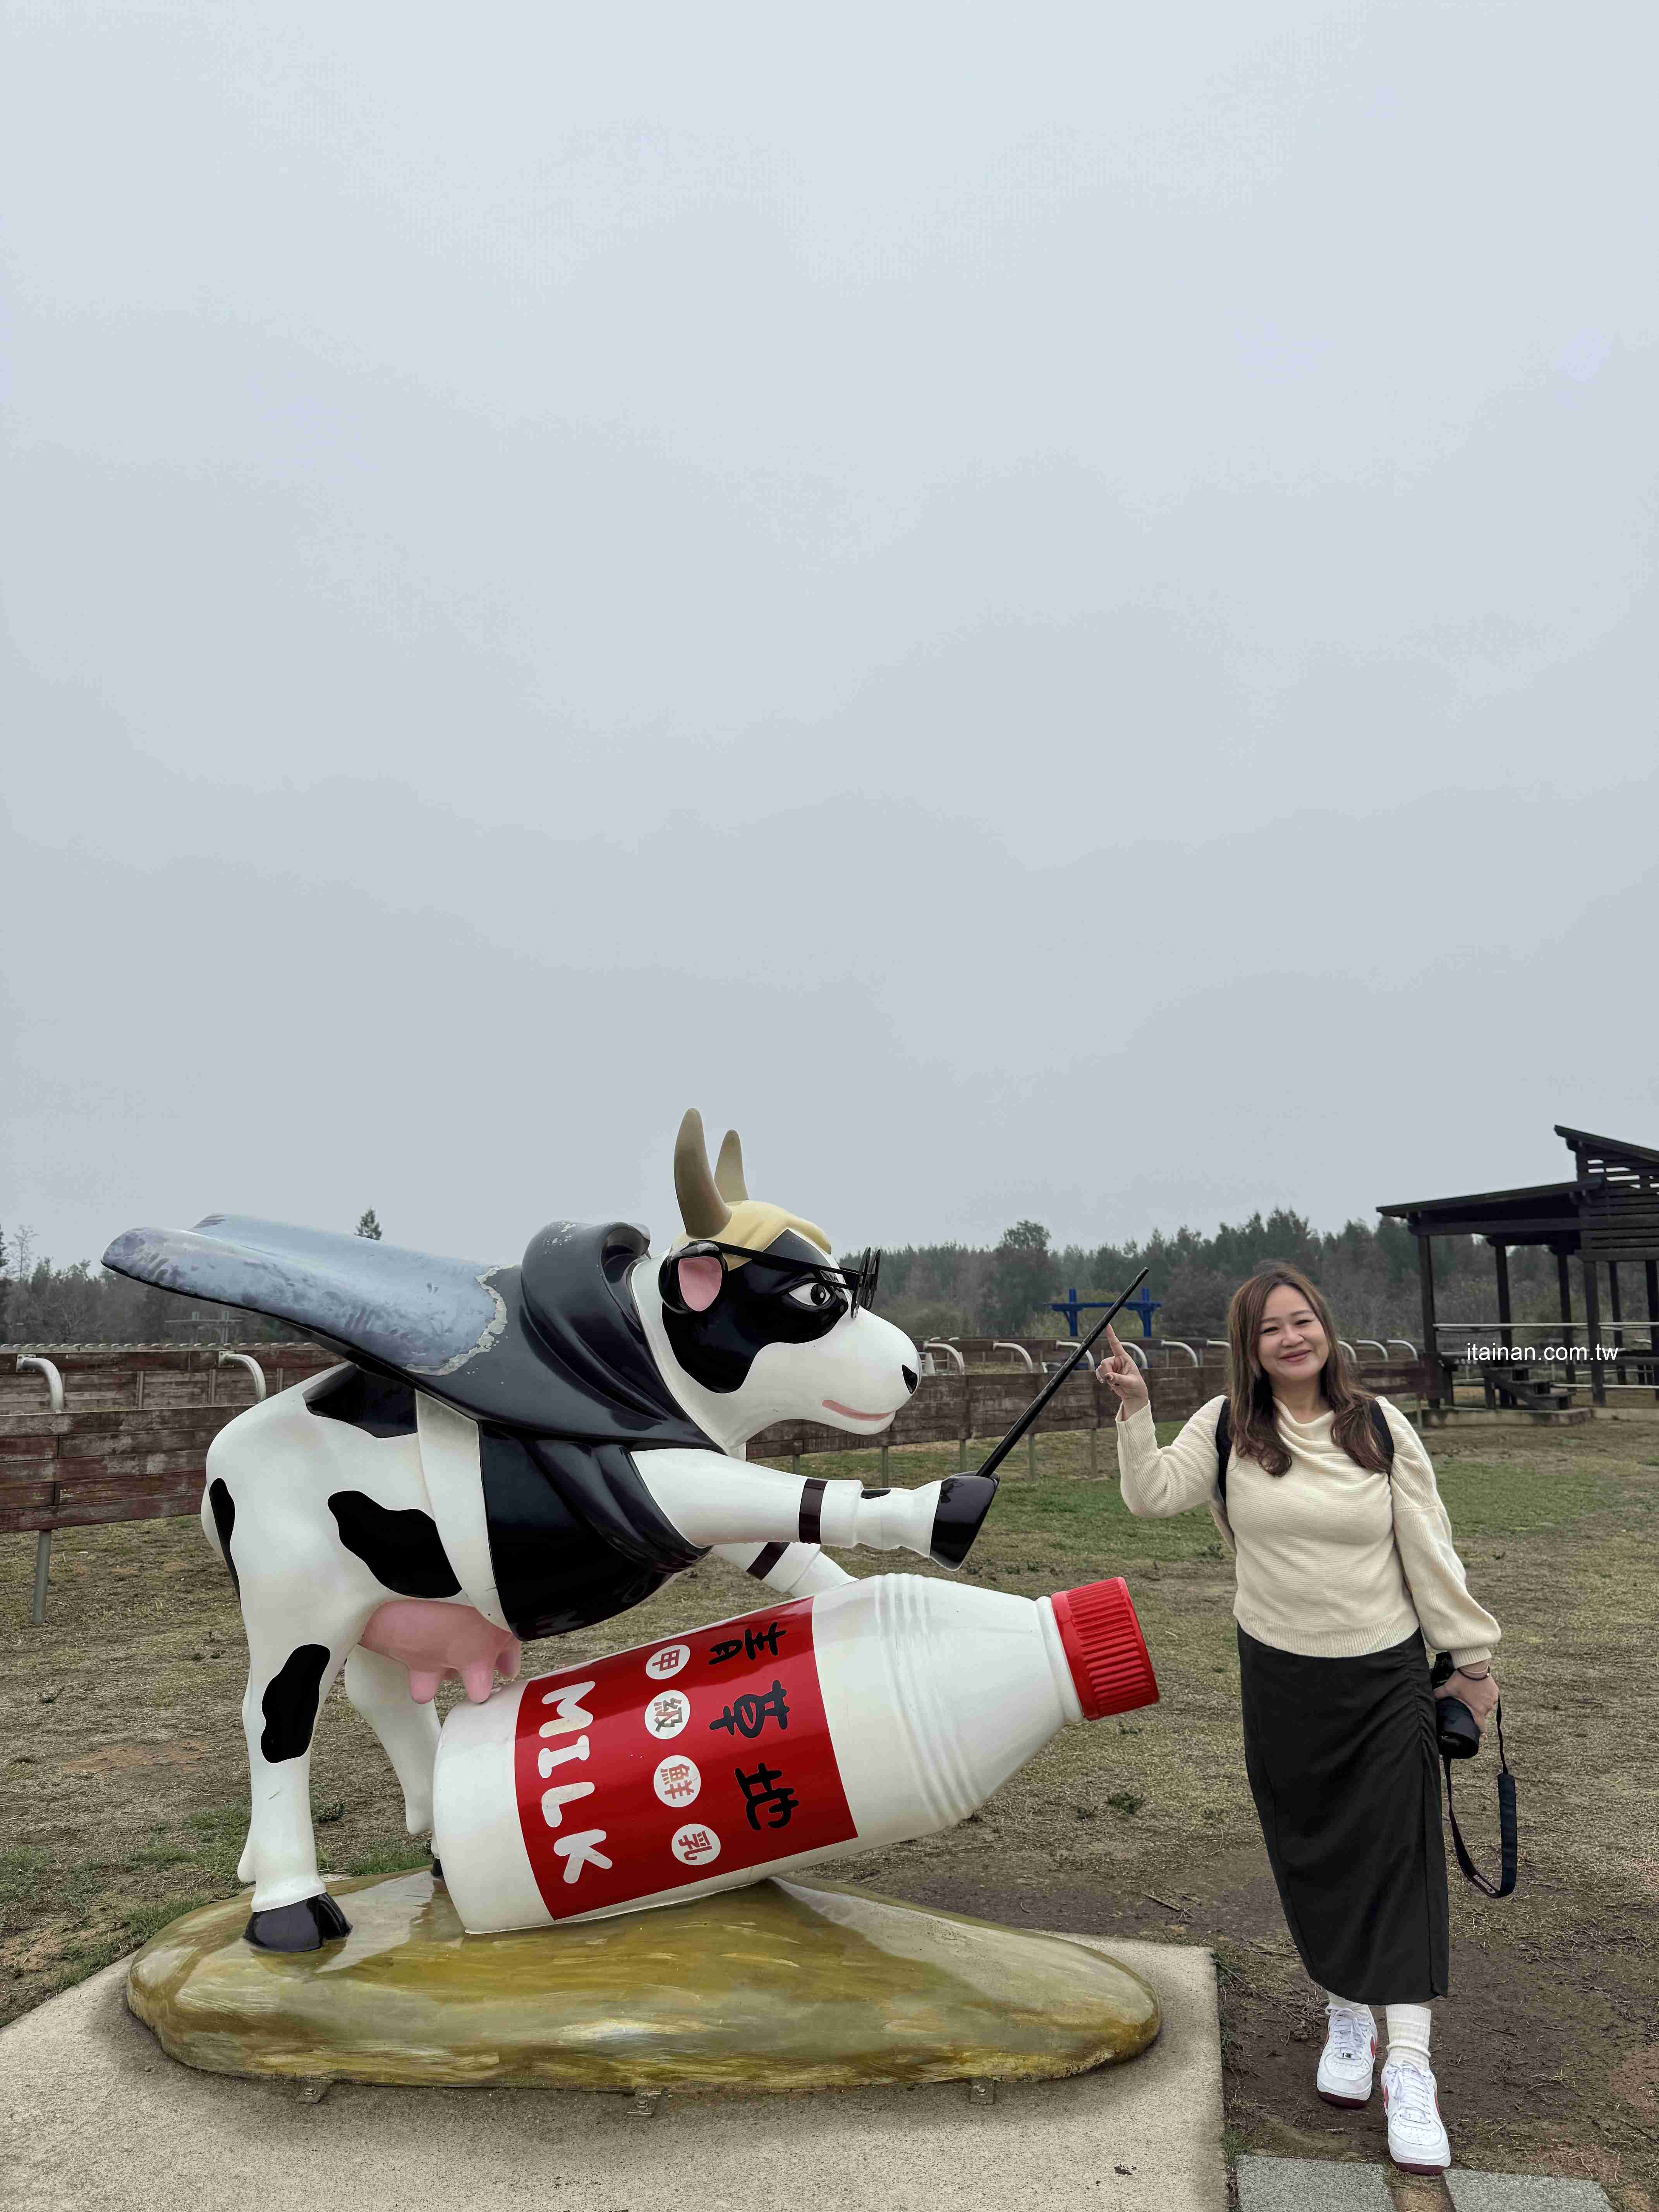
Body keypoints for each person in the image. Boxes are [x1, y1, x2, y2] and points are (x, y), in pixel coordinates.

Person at [1100, 1266, 1501, 2178]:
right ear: (1250, 1347)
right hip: (1280, 1674)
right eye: (1271, 1328)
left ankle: (1409, 2067)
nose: (1291, 1338)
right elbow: (1152, 1496)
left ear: (1327, 1327)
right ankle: (1346, 2013)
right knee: (1311, 1850)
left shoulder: (1380, 1427)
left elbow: (1430, 1549)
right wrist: (1133, 1409)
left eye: (1304, 1320)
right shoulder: (1228, 1426)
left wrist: (1472, 1663)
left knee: (1400, 1861)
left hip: (1384, 1674)